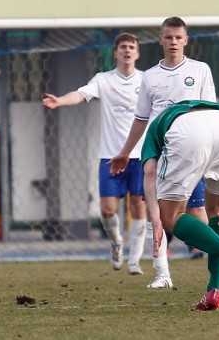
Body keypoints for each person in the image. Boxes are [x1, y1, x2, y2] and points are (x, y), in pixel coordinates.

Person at [109, 17, 219, 289]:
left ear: (185, 40)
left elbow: (211, 112)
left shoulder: (200, 70)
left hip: (190, 151)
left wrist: (212, 150)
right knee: (154, 213)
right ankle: (162, 273)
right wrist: (125, 152)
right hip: (158, 147)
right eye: (167, 37)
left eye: (177, 37)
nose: (172, 42)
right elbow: (141, 118)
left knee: (197, 221)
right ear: (160, 40)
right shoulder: (150, 76)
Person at [43, 32, 146, 275]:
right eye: (123, 47)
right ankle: (116, 242)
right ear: (116, 52)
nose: (127, 50)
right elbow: (80, 94)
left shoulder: (146, 80)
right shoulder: (103, 79)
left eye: (131, 47)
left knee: (138, 208)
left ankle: (135, 260)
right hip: (110, 156)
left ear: (138, 53)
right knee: (107, 210)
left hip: (140, 156)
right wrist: (60, 101)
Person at [140, 99, 219, 311]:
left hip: (187, 133)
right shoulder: (210, 109)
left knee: (172, 217)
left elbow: (149, 173)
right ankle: (214, 291)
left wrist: (157, 220)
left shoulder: (157, 125)